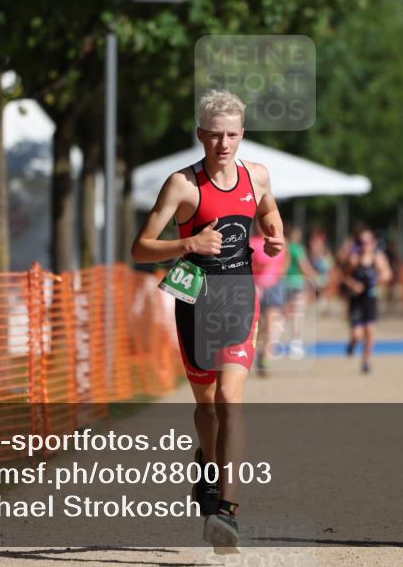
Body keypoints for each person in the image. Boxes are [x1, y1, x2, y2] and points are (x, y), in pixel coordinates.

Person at [131, 89, 284, 549]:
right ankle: (208, 462)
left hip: (239, 293)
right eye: (214, 134)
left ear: (242, 135)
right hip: (193, 295)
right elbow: (140, 248)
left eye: (232, 134)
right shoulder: (182, 184)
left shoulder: (256, 175)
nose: (223, 143)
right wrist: (188, 245)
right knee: (206, 407)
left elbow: (269, 211)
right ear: (200, 134)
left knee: (229, 399)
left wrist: (275, 235)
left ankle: (227, 511)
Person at [342, 227, 392, 373]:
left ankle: (366, 361)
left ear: (374, 243)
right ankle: (352, 344)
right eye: (361, 242)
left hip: (370, 299)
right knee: (357, 334)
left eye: (368, 241)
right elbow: (344, 277)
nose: (365, 245)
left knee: (370, 330)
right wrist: (354, 284)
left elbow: (388, 274)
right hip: (356, 300)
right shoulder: (354, 259)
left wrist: (380, 279)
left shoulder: (378, 258)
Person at [250, 223, 288, 378]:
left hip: (274, 286)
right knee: (259, 326)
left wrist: (280, 272)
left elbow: (285, 260)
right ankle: (257, 352)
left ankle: (265, 357)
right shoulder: (253, 242)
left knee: (272, 324)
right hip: (256, 287)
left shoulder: (280, 241)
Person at [282, 225, 320, 355]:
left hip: (285, 282)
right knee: (297, 313)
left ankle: (276, 337)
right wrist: (315, 277)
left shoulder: (285, 248)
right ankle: (295, 343)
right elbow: (304, 266)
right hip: (297, 283)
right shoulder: (298, 249)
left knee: (285, 312)